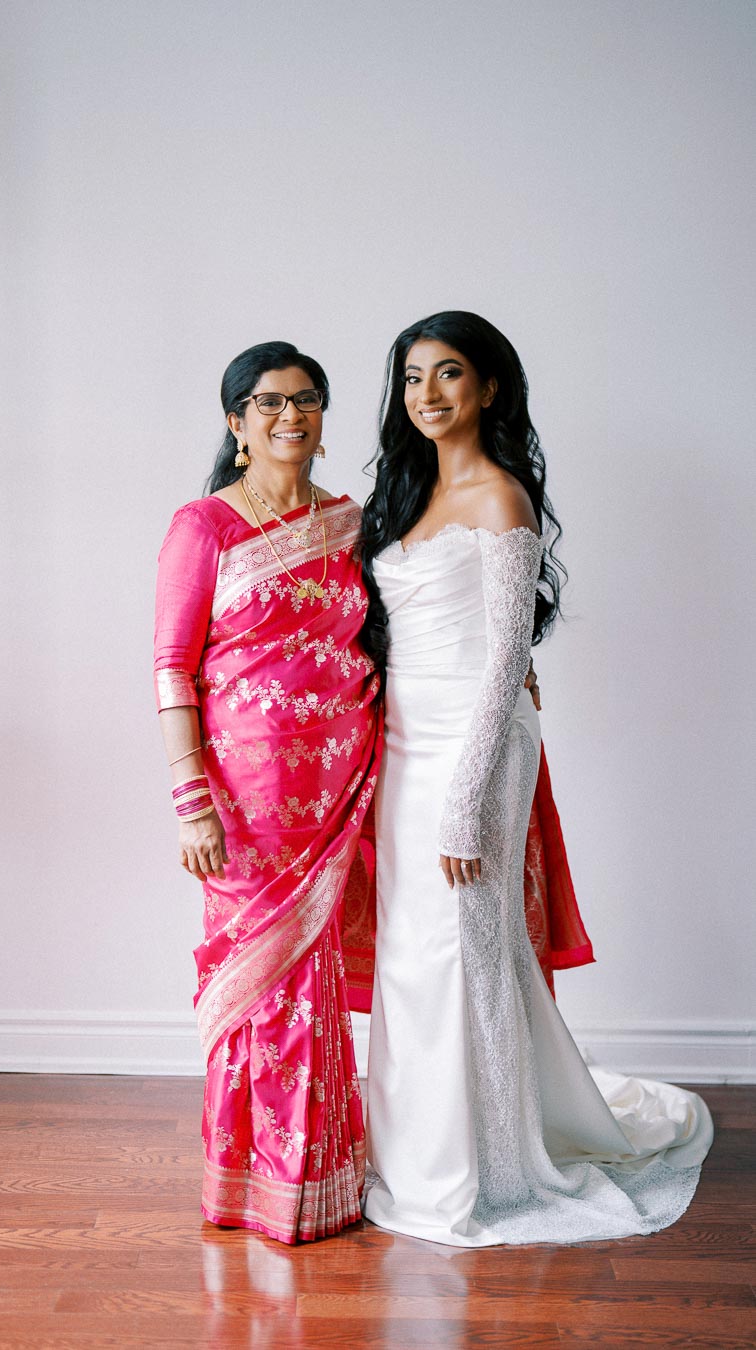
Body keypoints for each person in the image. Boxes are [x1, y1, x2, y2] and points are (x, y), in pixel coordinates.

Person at [359, 310, 713, 1246]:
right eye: (411, 378)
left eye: (448, 375)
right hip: (403, 740)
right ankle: (417, 1149)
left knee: (463, 943)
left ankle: (494, 1168)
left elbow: (504, 656)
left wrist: (468, 802)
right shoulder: (401, 501)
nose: (426, 396)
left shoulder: (500, 498)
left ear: (489, 389)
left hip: (477, 743)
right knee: (411, 948)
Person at [153, 342, 382, 1244]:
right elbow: (173, 668)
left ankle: (318, 1177)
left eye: (309, 401)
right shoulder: (203, 526)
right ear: (236, 422)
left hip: (337, 792)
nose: (293, 416)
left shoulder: (352, 523)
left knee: (311, 983)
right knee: (256, 988)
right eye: (271, 402)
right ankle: (253, 1178)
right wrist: (191, 799)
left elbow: (390, 641)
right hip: (245, 807)